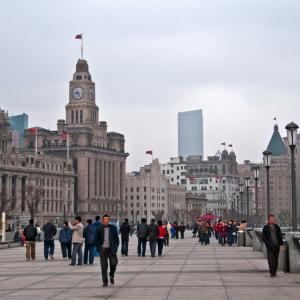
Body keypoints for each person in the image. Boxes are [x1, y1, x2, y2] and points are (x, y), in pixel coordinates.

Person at [94, 215, 119, 287]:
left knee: (114, 263)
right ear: (102, 220)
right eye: (104, 219)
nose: (106, 220)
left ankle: (111, 274)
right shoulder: (99, 228)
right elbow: (96, 239)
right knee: (104, 266)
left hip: (111, 249)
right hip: (103, 249)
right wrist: (99, 248)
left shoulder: (113, 228)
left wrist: (115, 248)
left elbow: (117, 240)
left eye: (107, 219)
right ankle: (105, 282)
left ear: (109, 220)